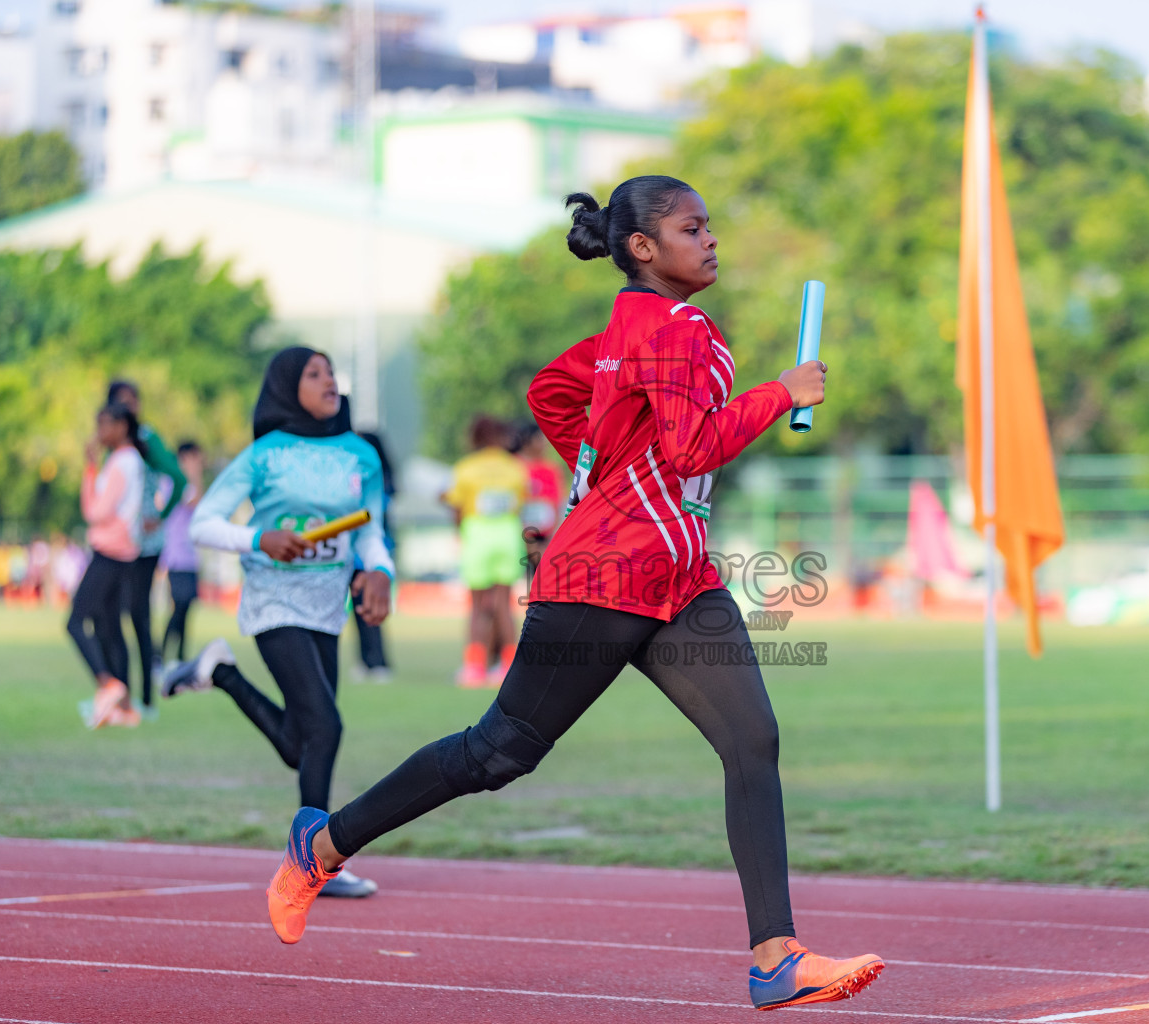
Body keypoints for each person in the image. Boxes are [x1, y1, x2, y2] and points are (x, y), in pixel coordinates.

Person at [260, 176, 884, 1011]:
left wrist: (601, 478)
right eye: (691, 229)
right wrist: (782, 393)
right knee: (498, 753)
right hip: (602, 578)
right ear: (641, 248)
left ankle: (775, 957)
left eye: (709, 227)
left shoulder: (632, 330)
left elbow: (551, 394)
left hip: (678, 579)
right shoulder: (675, 327)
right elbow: (694, 447)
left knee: (752, 742)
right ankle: (323, 846)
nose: (710, 240)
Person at [162, 347, 393, 900]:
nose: (328, 381)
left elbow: (371, 530)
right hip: (273, 601)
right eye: (314, 374)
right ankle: (312, 861)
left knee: (303, 742)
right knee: (327, 729)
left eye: (331, 372)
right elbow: (205, 524)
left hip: (327, 607)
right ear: (288, 387)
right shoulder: (264, 455)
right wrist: (259, 539)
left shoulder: (362, 455)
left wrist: (381, 569)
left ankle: (220, 672)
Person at [107, 380, 187, 713]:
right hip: (117, 542)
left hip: (144, 544)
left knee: (137, 614)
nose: (130, 408)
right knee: (108, 613)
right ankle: (115, 693)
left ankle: (145, 698)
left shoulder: (146, 438)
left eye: (133, 402)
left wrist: (160, 515)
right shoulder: (111, 443)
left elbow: (179, 478)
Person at [67, 402, 147, 729]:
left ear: (122, 426)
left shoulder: (120, 462)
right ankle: (125, 707)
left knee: (75, 621)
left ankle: (107, 684)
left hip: (110, 551)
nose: (99, 433)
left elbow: (95, 512)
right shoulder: (132, 461)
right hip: (125, 552)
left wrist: (89, 468)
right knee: (110, 628)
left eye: (105, 425)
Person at [444, 415, 527, 687]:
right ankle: (507, 665)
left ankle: (474, 667)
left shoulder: (466, 468)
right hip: (507, 534)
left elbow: (457, 508)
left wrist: (461, 534)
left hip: (477, 535)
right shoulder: (515, 467)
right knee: (504, 605)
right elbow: (520, 504)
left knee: (478, 606)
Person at [348, 431, 397, 683]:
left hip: (372, 556)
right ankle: (366, 660)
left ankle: (378, 662)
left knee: (371, 608)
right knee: (358, 610)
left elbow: (374, 524)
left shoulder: (379, 486)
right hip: (352, 554)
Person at [159, 441, 204, 663]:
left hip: (191, 558)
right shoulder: (174, 482)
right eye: (195, 458)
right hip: (176, 556)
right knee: (179, 605)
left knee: (186, 608)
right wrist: (194, 474)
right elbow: (195, 503)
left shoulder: (189, 483)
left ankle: (180, 657)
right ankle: (160, 653)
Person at [516, 423, 564, 587]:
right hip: (519, 536)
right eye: (539, 439)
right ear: (527, 441)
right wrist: (527, 540)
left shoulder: (552, 469)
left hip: (545, 538)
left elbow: (556, 504)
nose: (544, 443)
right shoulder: (516, 466)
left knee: (542, 584)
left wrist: (550, 540)